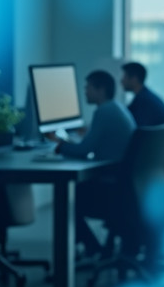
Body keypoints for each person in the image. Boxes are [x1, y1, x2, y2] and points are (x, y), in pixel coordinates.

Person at [45, 70, 136, 255]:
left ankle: (91, 248)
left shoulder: (104, 111)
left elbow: (84, 150)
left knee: (67, 199)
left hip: (113, 190)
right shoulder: (117, 108)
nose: (85, 92)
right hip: (126, 186)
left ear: (100, 90)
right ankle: (93, 247)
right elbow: (91, 146)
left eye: (88, 88)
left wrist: (59, 145)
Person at [121, 62, 164, 127]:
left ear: (134, 79)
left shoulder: (142, 102)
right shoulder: (147, 98)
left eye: (125, 77)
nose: (121, 81)